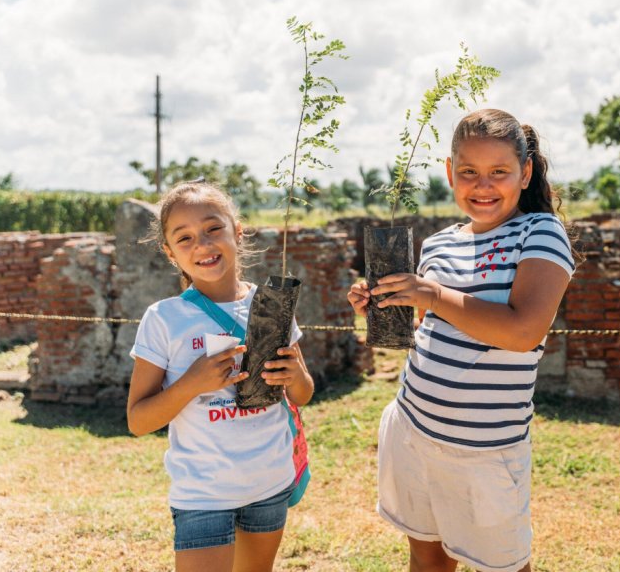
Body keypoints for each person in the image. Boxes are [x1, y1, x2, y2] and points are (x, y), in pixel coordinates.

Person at [348, 109, 575, 572]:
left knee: (505, 566)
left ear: (525, 171)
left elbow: (522, 331)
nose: (483, 185)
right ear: (450, 172)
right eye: (469, 172)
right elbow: (436, 330)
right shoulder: (437, 244)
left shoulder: (540, 232)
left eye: (499, 172)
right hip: (413, 427)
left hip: (486, 448)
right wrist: (381, 304)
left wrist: (430, 292)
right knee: (426, 558)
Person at [126, 181, 314, 572]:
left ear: (237, 230)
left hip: (269, 483)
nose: (203, 245)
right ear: (170, 252)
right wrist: (192, 384)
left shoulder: (272, 304)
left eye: (213, 229)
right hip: (202, 494)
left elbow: (304, 393)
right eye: (185, 237)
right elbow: (139, 420)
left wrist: (293, 373)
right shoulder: (164, 318)